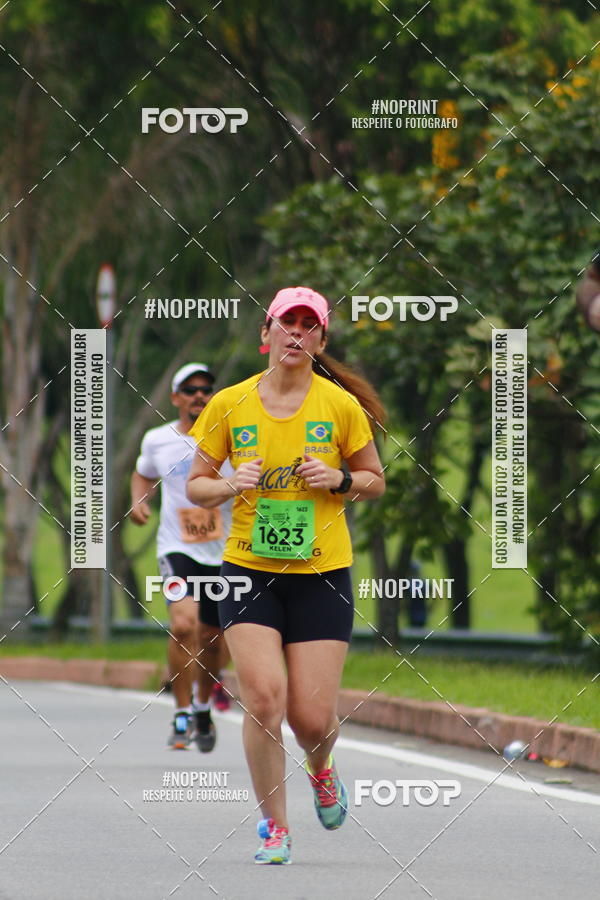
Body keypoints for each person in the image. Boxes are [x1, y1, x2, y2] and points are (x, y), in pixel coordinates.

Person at [186, 287, 386, 864]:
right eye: (286, 323)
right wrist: (229, 484)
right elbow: (196, 483)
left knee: (311, 718)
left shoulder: (338, 407)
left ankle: (322, 769)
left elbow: (375, 479)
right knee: (264, 700)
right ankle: (274, 828)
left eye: (308, 325)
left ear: (321, 340)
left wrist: (341, 480)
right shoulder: (229, 403)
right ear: (266, 335)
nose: (295, 333)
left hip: (322, 574)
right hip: (248, 571)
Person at [130, 363, 233, 752]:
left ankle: (204, 706)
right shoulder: (159, 439)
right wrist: (139, 500)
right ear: (175, 398)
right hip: (177, 548)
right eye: (190, 390)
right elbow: (143, 473)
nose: (199, 396)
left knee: (211, 637)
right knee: (183, 625)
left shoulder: (233, 439)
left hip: (224, 552)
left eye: (207, 389)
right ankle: (181, 710)